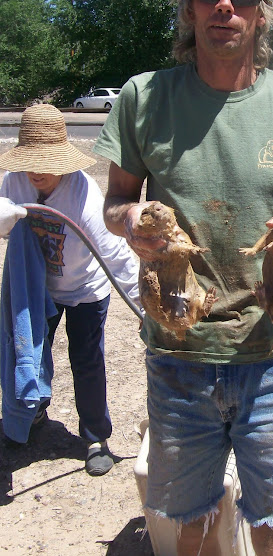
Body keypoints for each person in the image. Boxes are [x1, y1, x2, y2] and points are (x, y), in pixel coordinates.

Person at [93, 0, 273, 554]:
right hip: (179, 352)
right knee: (192, 525)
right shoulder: (142, 98)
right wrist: (131, 220)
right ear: (189, 7)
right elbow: (113, 205)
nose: (225, 5)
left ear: (262, 13)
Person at [0, 104, 140, 476]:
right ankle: (32, 413)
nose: (36, 171)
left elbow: (117, 258)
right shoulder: (14, 180)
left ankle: (96, 438)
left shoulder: (84, 195)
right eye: (31, 161)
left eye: (45, 162)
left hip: (83, 290)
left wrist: (144, 310)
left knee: (86, 360)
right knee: (28, 348)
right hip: (39, 287)